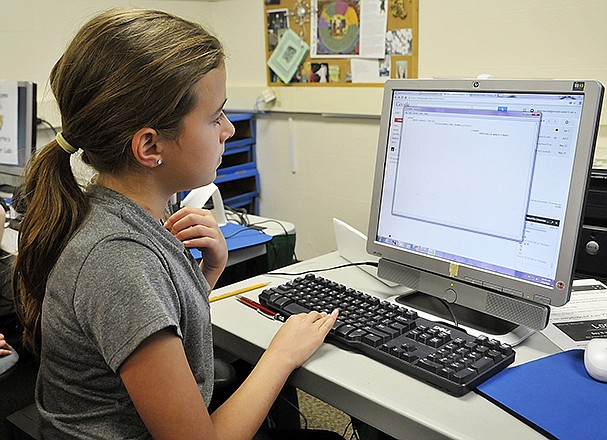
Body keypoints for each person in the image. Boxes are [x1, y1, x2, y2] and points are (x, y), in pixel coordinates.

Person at [13, 9, 340, 439]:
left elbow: (141, 326)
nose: (228, 130)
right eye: (215, 116)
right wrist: (280, 354)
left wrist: (207, 274)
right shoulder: (118, 260)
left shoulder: (112, 211)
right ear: (150, 146)